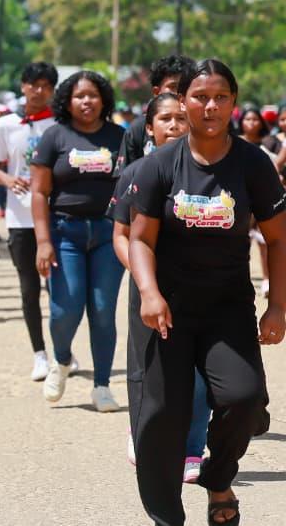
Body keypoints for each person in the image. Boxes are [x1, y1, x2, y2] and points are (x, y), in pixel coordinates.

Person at [128, 59, 286, 526]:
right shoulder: (159, 164)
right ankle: (166, 517)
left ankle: (218, 478)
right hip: (168, 311)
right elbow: (139, 238)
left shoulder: (252, 164)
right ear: (183, 103)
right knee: (163, 417)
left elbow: (278, 238)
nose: (210, 105)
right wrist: (148, 292)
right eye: (199, 96)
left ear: (234, 103)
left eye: (220, 96)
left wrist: (277, 305)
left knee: (245, 398)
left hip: (227, 310)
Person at [107, 92, 210, 482]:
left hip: (199, 288)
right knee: (152, 369)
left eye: (181, 119)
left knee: (200, 375)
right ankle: (143, 432)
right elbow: (120, 234)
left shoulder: (208, 169)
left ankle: (191, 451)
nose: (174, 126)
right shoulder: (137, 172)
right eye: (164, 119)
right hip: (149, 290)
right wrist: (144, 279)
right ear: (149, 128)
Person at [31, 70, 126, 411]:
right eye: (79, 96)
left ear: (104, 101)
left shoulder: (120, 137)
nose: (86, 102)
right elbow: (40, 192)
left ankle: (102, 386)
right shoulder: (54, 137)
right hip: (64, 233)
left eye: (93, 96)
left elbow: (133, 186)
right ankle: (61, 359)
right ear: (67, 102)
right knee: (65, 310)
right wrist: (43, 241)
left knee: (102, 310)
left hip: (107, 233)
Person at [0, 61, 59, 380]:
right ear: (23, 86)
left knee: (59, 290)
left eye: (46, 85)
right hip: (19, 219)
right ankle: (39, 353)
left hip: (55, 218)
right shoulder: (6, 125)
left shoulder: (60, 125)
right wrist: (6, 180)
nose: (39, 90)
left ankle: (63, 350)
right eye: (34, 84)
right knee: (29, 288)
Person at [118, 55, 196, 170]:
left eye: (185, 87)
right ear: (156, 91)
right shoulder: (138, 129)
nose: (180, 93)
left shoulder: (201, 125)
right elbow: (124, 177)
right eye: (173, 87)